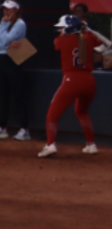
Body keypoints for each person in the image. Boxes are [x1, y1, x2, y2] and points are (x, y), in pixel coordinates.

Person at [39, 15, 99, 158]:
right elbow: (100, 44)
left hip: (72, 80)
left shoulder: (62, 40)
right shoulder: (89, 38)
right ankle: (91, 144)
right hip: (89, 81)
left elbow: (57, 43)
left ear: (69, 29)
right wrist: (87, 30)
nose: (60, 31)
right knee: (81, 111)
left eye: (62, 28)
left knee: (52, 115)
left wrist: (78, 30)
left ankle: (50, 144)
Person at [0, 0, 32, 141]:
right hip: (1, 60)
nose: (6, 12)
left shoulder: (20, 23)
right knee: (2, 94)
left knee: (19, 95)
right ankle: (2, 128)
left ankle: (24, 129)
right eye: (4, 9)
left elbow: (6, 39)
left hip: (13, 60)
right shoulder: (4, 23)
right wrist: (3, 26)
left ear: (16, 10)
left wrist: (4, 42)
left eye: (9, 9)